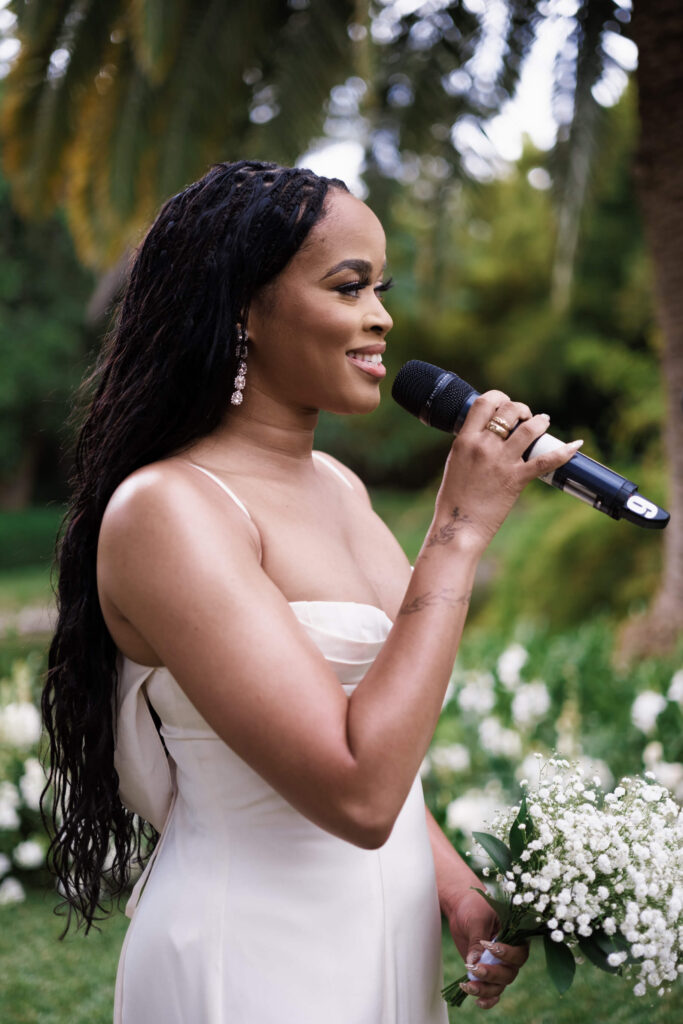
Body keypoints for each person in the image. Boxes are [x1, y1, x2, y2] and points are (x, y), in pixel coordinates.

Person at [42, 160, 581, 1023]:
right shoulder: (169, 510)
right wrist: (460, 531)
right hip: (256, 956)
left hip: (386, 940)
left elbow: (380, 734)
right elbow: (357, 793)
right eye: (348, 286)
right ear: (244, 311)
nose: (381, 316)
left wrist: (452, 888)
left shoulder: (336, 484)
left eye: (380, 286)